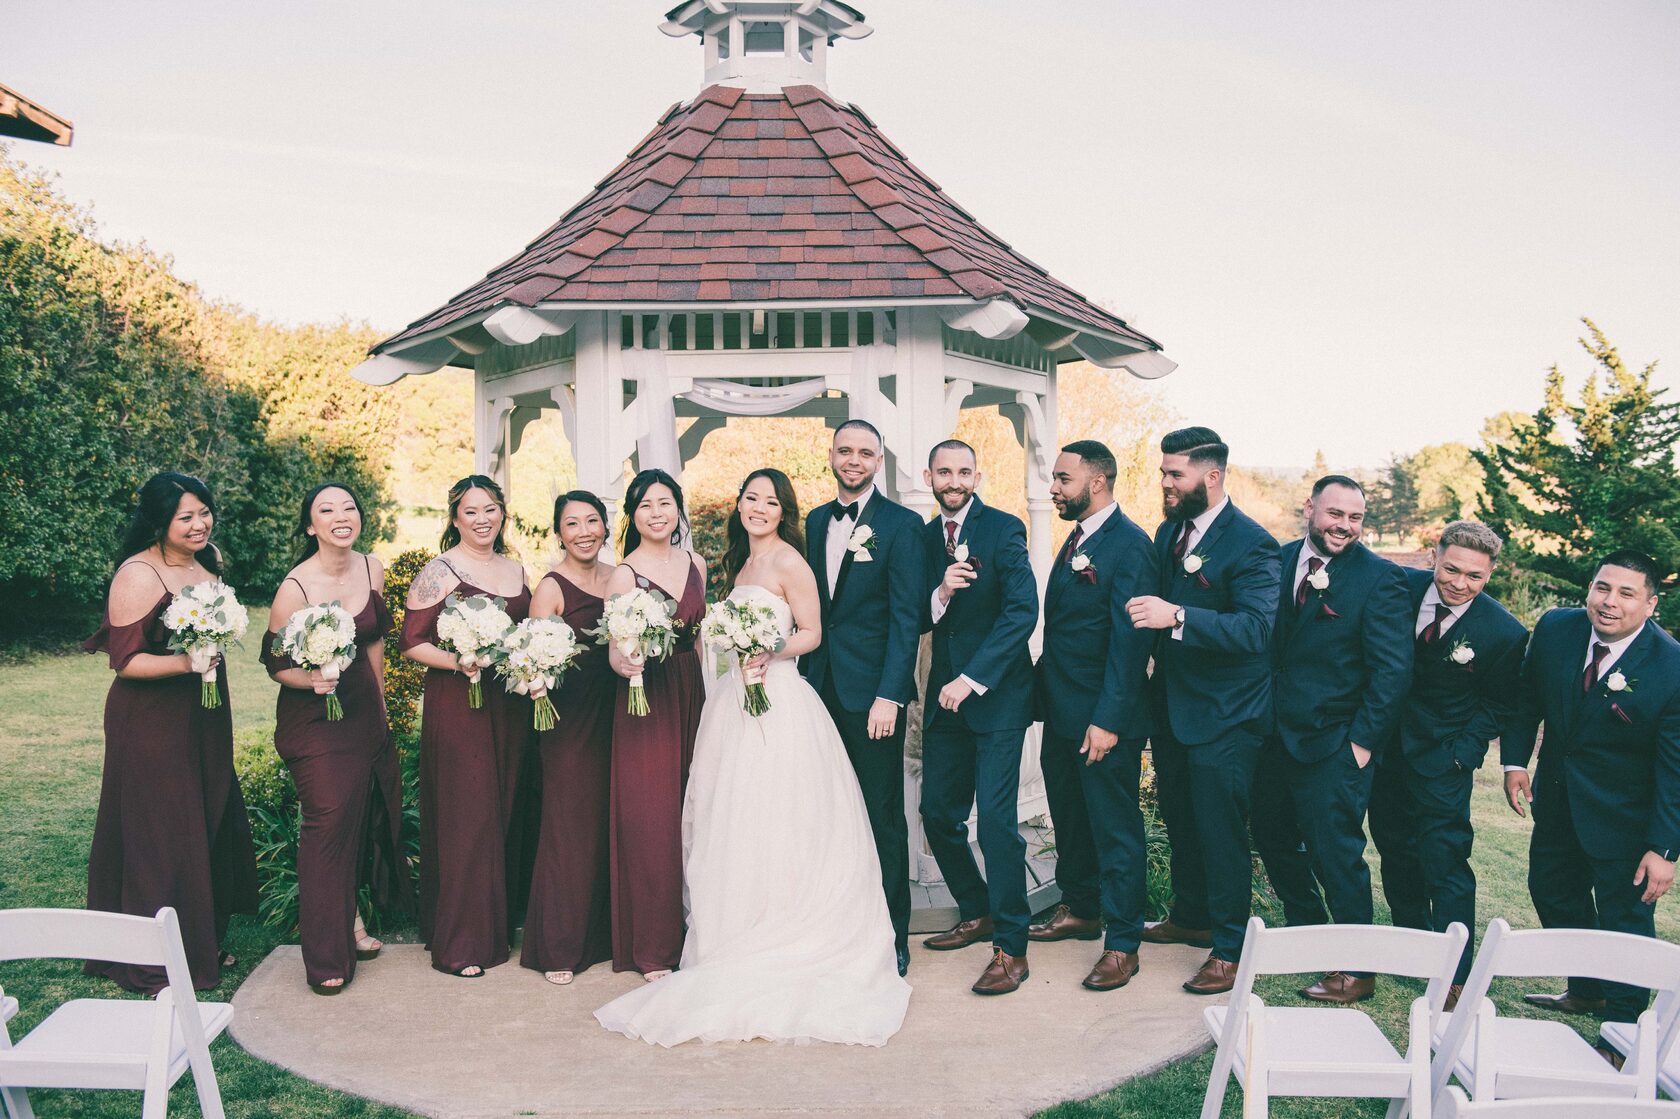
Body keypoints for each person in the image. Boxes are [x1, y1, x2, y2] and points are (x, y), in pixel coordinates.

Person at [596, 469, 911, 1046]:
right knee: (735, 819)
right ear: (738, 504)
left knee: (782, 817)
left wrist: (770, 649)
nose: (758, 508)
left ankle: (789, 928)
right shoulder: (736, 565)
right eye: (750, 498)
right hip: (731, 706)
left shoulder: (792, 561)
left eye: (770, 501)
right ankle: (737, 928)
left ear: (783, 509)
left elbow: (813, 632)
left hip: (781, 702)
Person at [82, 471, 258, 993]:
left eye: (204, 512)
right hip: (151, 721)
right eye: (186, 516)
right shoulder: (138, 574)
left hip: (204, 713)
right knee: (160, 831)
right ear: (159, 520)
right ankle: (150, 958)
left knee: (206, 814)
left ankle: (198, 938)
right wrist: (187, 663)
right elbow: (126, 661)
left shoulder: (209, 568)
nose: (200, 523)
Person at [1126, 427, 1280, 996]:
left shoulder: (1252, 543)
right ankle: (1190, 917)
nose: (1164, 483)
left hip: (1227, 718)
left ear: (1210, 476)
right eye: (1164, 472)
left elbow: (1258, 629)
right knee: (1182, 820)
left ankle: (1232, 949)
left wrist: (1179, 618)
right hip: (1172, 711)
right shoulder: (1172, 532)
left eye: (1175, 474)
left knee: (1220, 833)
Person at [1249, 475, 1412, 1005]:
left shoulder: (1379, 579)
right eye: (1334, 514)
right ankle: (1306, 932)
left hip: (1335, 745)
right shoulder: (1277, 559)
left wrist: (1361, 745)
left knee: (1335, 853)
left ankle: (1354, 968)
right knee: (1272, 838)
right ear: (1309, 509)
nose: (1344, 526)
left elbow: (1392, 672)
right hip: (1271, 736)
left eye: (1355, 517)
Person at [1503, 549, 1680, 1024]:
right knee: (1552, 891)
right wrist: (1514, 762)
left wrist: (1664, 849)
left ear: (1650, 605)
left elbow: (1676, 767)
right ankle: (1587, 990)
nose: (1610, 602)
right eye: (1602, 587)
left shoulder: (1672, 667)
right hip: (1557, 801)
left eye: (1626, 593)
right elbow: (1526, 699)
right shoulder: (1557, 628)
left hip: (1628, 819)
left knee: (1625, 920)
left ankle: (1624, 1027)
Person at [1368, 520, 1527, 1008]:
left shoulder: (1504, 632)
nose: (1459, 583)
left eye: (1474, 577)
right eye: (1451, 569)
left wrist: (1465, 752)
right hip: (1383, 749)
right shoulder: (1401, 587)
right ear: (1434, 555)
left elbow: (1501, 704)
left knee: (1445, 861)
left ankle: (1456, 972)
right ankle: (1413, 945)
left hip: (1443, 760)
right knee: (1394, 849)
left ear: (1490, 573)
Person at [262, 481, 410, 994]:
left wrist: (381, 711)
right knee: (327, 826)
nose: (340, 515)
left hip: (363, 714)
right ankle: (326, 957)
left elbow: (373, 643)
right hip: (315, 722)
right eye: (327, 510)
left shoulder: (373, 567)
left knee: (361, 819)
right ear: (311, 525)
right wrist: (311, 680)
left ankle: (352, 921)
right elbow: (275, 663)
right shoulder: (295, 589)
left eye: (349, 506)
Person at [1028, 440, 1158, 991]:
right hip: (1061, 712)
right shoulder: (1076, 540)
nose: (1053, 488)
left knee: (1114, 828)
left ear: (1097, 482)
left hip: (1102, 719)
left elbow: (1130, 644)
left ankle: (1123, 941)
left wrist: (1107, 720)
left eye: (1062, 479)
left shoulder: (1129, 546)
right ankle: (1080, 907)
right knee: (1071, 818)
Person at [917, 439, 1040, 996]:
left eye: (964, 471)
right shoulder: (923, 538)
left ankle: (1011, 947)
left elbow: (1022, 611)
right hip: (944, 700)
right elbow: (911, 612)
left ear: (978, 475)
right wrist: (939, 592)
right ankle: (979, 908)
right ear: (929, 477)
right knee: (938, 812)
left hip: (996, 698)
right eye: (945, 472)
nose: (955, 480)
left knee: (994, 822)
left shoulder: (1003, 529)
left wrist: (972, 679)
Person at [801, 420, 922, 976]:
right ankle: (835, 926)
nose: (853, 460)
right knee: (826, 813)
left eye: (865, 453)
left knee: (881, 816)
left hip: (873, 697)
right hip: (818, 689)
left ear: (879, 460)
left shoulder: (903, 525)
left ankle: (893, 937)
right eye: (845, 450)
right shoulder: (817, 519)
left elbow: (906, 619)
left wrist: (890, 696)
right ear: (831, 454)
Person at [399, 475, 532, 977]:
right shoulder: (441, 571)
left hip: (510, 707)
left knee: (502, 808)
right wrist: (461, 661)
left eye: (491, 509)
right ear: (455, 519)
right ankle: (461, 943)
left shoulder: (517, 569)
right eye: (471, 511)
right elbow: (411, 642)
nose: (483, 520)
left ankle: (492, 925)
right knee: (467, 816)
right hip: (462, 705)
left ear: (503, 513)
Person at [602, 469, 706, 980]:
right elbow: (616, 650)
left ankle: (698, 934)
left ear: (678, 510)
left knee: (695, 812)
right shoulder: (624, 574)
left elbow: (703, 637)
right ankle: (653, 946)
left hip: (693, 692)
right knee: (653, 817)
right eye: (645, 505)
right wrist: (628, 663)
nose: (657, 513)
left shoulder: (697, 563)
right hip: (646, 698)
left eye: (665, 503)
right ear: (633, 515)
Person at [520, 490, 617, 986]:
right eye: (573, 523)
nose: (585, 531)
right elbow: (532, 660)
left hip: (619, 715)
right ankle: (558, 943)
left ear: (606, 525)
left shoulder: (620, 579)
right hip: (568, 722)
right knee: (567, 826)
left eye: (593, 521)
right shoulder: (551, 588)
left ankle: (602, 935)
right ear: (559, 532)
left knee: (607, 823)